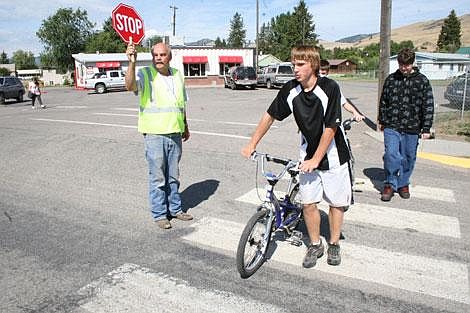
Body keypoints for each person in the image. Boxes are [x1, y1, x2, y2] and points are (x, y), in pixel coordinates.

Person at [241, 45, 352, 268]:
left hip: (333, 155)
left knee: (336, 204)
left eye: (300, 64)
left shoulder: (330, 88)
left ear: (314, 65)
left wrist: (316, 160)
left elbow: (330, 128)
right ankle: (314, 244)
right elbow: (270, 116)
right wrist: (252, 143)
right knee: (309, 203)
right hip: (308, 154)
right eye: (293, 64)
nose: (295, 69)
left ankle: (333, 243)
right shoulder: (291, 90)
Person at [125, 41, 193, 229]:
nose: (158, 58)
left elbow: (182, 103)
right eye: (155, 55)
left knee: (173, 176)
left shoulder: (178, 75)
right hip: (155, 134)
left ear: (169, 57)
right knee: (158, 178)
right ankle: (160, 214)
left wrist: (185, 126)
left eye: (162, 55)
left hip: (175, 133)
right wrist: (131, 62)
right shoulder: (145, 74)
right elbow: (130, 86)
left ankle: (176, 209)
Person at [378, 48, 434, 201]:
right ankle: (390, 183)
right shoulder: (391, 79)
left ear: (412, 63)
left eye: (407, 65)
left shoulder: (422, 81)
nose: (404, 68)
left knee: (408, 157)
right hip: (392, 124)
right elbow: (384, 101)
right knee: (391, 154)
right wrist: (382, 120)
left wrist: (426, 127)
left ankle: (403, 183)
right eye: (401, 64)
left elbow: (428, 105)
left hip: (413, 127)